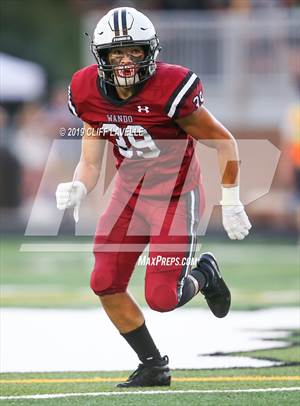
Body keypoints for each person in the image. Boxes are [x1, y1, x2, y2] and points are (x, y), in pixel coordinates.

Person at [56, 7, 251, 387]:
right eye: (116, 53)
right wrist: (80, 183)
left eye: (134, 51)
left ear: (150, 52)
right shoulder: (86, 91)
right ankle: (153, 365)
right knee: (104, 282)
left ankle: (205, 273)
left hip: (175, 197)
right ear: (102, 56)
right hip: (128, 195)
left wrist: (231, 199)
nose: (125, 61)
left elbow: (224, 142)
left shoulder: (171, 88)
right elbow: (91, 161)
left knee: (162, 298)